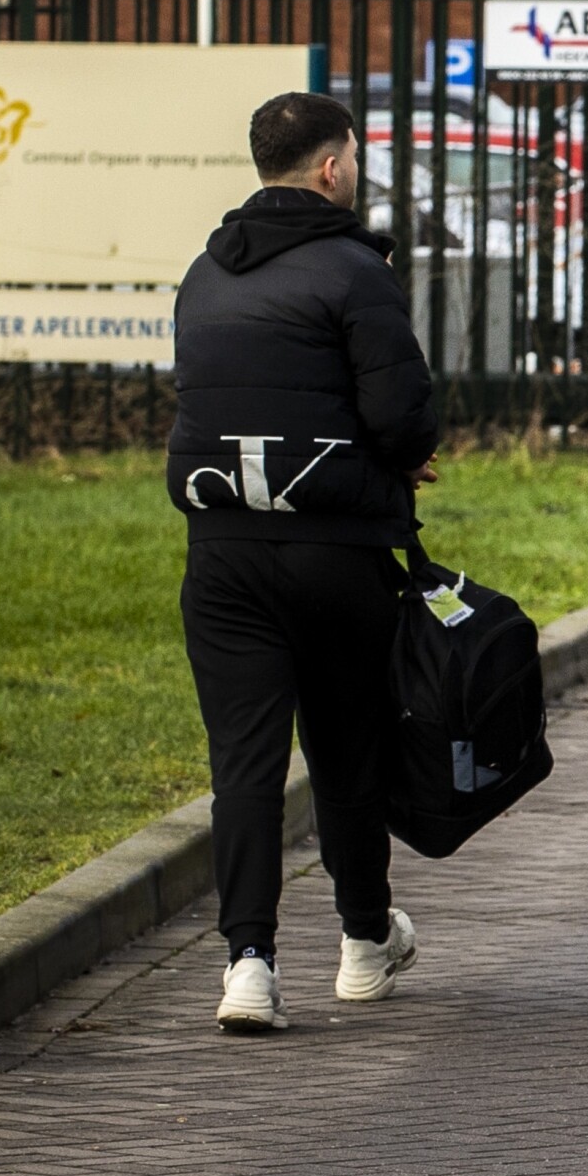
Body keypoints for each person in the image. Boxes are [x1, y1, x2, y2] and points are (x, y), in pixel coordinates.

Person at [168, 91, 441, 1034]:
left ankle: (248, 962)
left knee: (241, 764)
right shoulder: (354, 270)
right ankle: (365, 943)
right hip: (336, 550)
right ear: (332, 167)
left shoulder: (203, 272)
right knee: (345, 749)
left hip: (223, 552)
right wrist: (403, 453)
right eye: (356, 157)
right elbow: (403, 412)